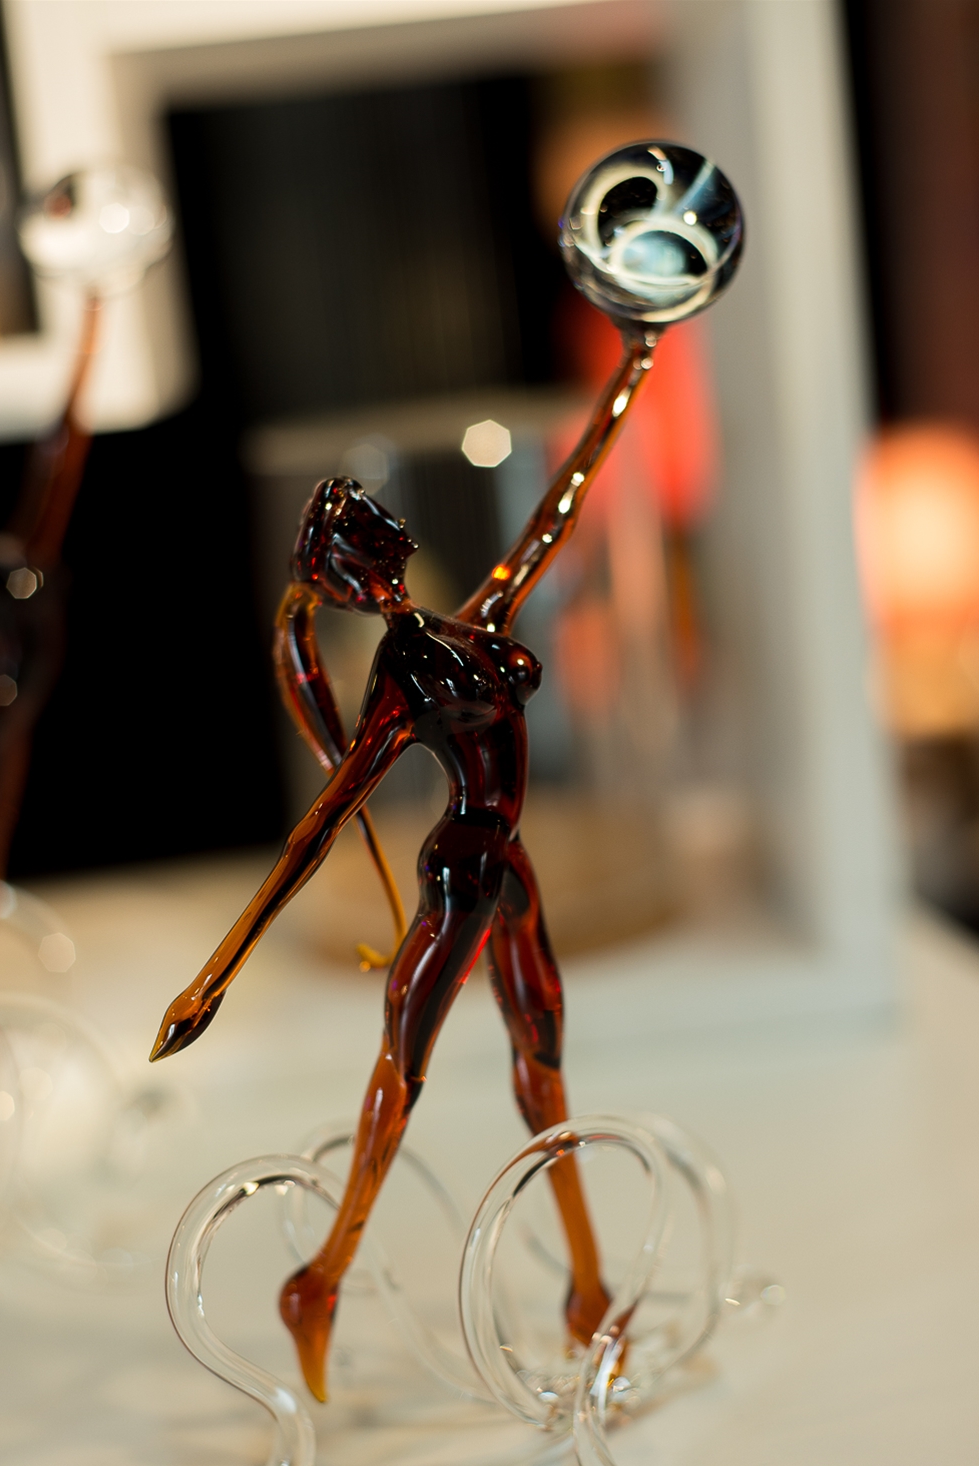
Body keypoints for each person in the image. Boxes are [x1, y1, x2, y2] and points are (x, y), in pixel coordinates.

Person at [153, 331, 658, 1401]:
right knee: (405, 1072)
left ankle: (587, 1290)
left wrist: (632, 366)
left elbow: (558, 507)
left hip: (507, 866)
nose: (392, 522)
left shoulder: (470, 623)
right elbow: (322, 823)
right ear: (358, 563)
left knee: (541, 1069)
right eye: (370, 524)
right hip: (462, 873)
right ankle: (322, 1278)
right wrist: (213, 976)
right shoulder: (406, 669)